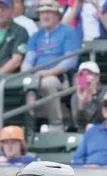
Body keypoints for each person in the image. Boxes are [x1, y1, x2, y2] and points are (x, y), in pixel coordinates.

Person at [21, 0, 82, 131]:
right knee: (21, 84)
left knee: (47, 83)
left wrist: (49, 73)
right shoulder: (36, 36)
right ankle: (26, 126)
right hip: (36, 76)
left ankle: (56, 124)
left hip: (60, 77)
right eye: (42, 13)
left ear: (58, 15)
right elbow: (28, 60)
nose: (45, 16)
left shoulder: (68, 32)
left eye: (49, 12)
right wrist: (27, 73)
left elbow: (70, 60)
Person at [72, 89, 107, 166]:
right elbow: (77, 159)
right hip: (85, 175)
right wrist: (83, 168)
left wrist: (101, 168)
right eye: (105, 104)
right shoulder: (92, 131)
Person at [70, 61, 107, 133]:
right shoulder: (75, 96)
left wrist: (94, 95)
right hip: (84, 133)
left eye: (89, 74)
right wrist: (81, 103)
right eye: (82, 74)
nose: (85, 77)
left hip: (105, 131)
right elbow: (79, 124)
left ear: (97, 78)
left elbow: (106, 116)